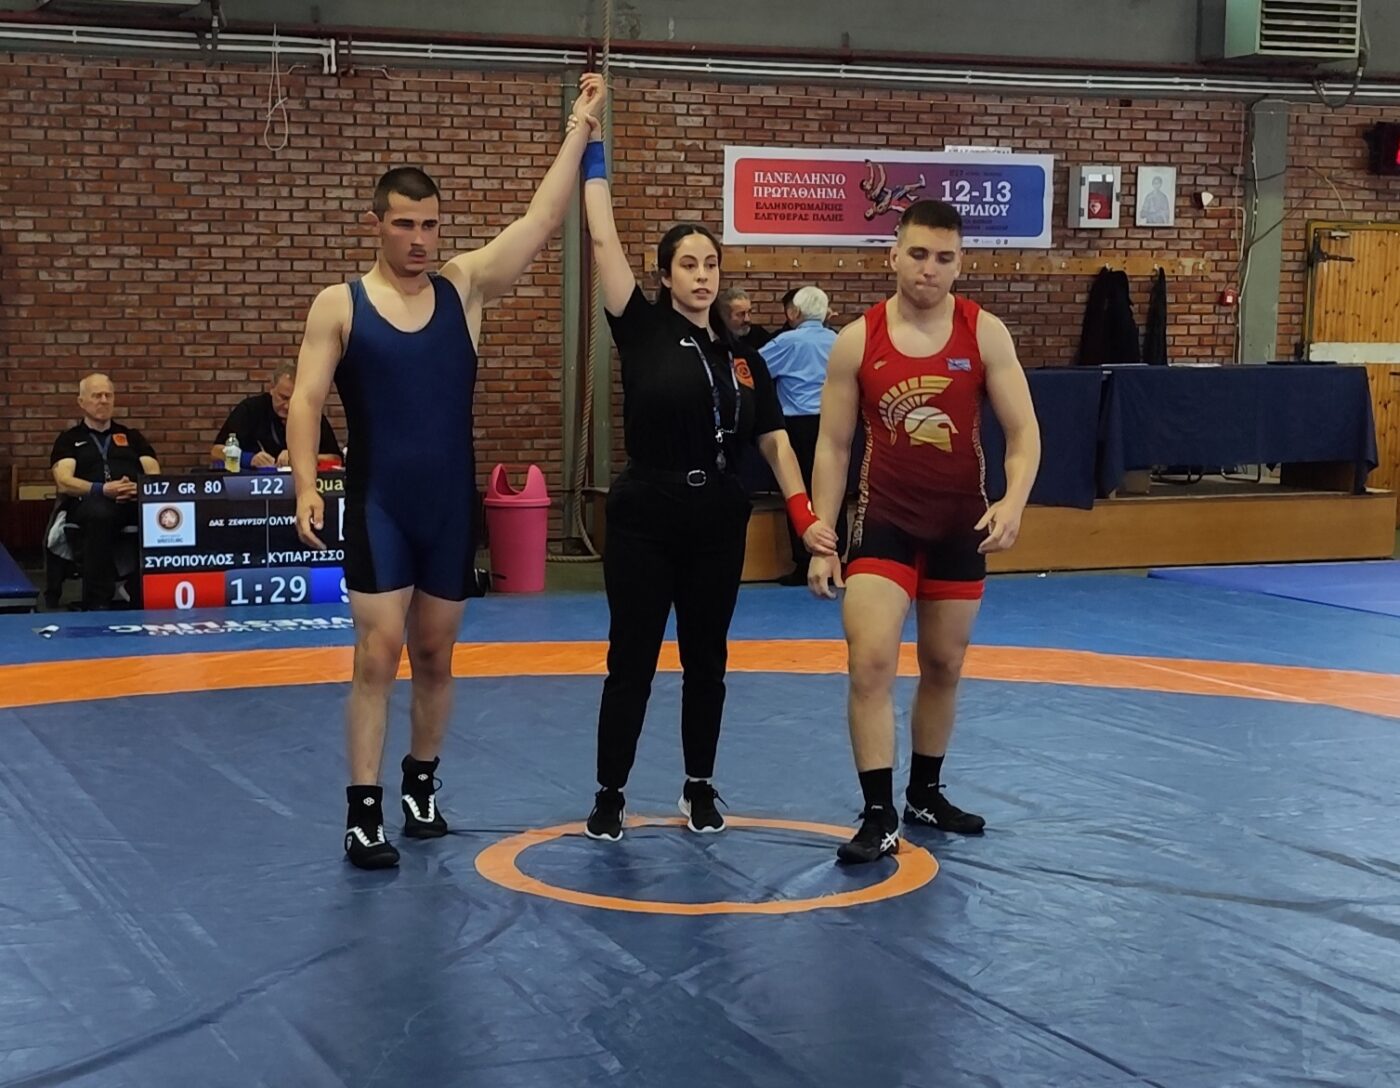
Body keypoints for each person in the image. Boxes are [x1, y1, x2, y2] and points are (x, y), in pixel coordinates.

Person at [286, 74, 608, 870]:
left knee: (436, 653)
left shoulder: (464, 289)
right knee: (377, 653)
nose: (420, 239)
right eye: (405, 225)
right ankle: (363, 811)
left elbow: (539, 221)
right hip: (380, 504)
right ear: (376, 225)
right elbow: (306, 400)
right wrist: (306, 485)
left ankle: (421, 783)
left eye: (430, 224)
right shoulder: (339, 305)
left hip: (447, 509)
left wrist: (580, 125)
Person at [579, 114, 838, 842]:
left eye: (711, 264)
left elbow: (775, 441)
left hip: (717, 517)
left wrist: (803, 516)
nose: (701, 276)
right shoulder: (639, 326)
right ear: (665, 275)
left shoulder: (743, 355)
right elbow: (601, 238)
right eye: (688, 264)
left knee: (707, 661)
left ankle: (698, 786)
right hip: (646, 514)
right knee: (631, 661)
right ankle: (610, 792)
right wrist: (592, 145)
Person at [807, 199, 1041, 864]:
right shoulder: (858, 339)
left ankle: (925, 793)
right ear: (893, 255)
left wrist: (1014, 501)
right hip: (884, 521)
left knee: (943, 665)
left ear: (960, 264)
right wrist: (821, 533)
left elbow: (1023, 431)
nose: (929, 269)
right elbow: (833, 444)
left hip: (960, 525)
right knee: (870, 662)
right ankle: (879, 813)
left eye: (943, 258)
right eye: (917, 254)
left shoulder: (984, 333)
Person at [758, 285, 847, 584]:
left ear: (794, 312)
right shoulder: (839, 341)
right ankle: (836, 556)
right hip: (834, 422)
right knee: (834, 489)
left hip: (798, 426)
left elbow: (752, 370)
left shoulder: (787, 342)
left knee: (798, 490)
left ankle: (804, 560)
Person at [49, 373, 161, 610]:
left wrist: (139, 489)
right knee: (101, 515)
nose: (103, 400)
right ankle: (97, 599)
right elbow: (64, 481)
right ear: (81, 402)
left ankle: (142, 590)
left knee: (166, 515)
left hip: (132, 500)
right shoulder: (70, 439)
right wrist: (102, 489)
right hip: (90, 501)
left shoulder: (132, 437)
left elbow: (153, 473)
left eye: (108, 395)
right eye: (96, 395)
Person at [210, 363, 341, 469]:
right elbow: (216, 452)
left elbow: (336, 459)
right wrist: (248, 459)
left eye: (294, 400)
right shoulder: (250, 409)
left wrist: (299, 458)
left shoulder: (311, 415)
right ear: (272, 388)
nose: (287, 406)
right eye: (283, 398)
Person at [715, 286, 773, 351]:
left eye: (749, 312)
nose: (747, 319)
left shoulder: (759, 335)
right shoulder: (716, 340)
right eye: (740, 314)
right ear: (725, 316)